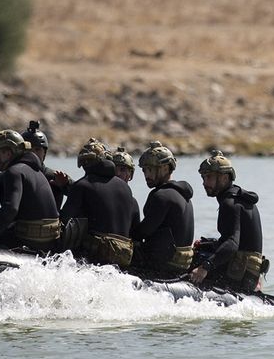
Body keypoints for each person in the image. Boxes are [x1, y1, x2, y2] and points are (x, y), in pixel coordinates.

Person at [189, 149, 267, 294]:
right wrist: (208, 244)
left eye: (209, 177)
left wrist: (204, 267)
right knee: (203, 248)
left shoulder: (229, 204)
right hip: (250, 274)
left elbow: (232, 244)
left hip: (239, 275)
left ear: (224, 178)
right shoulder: (240, 198)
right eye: (203, 178)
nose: (204, 183)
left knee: (195, 259)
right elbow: (238, 241)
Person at [59, 138, 141, 268]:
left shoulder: (82, 185)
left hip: (94, 257)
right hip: (122, 259)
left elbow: (64, 221)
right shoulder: (126, 189)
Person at [130, 141, 195, 279]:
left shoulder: (161, 196)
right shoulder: (183, 195)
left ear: (165, 168)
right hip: (182, 263)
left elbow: (143, 231)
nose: (146, 175)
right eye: (144, 170)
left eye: (150, 169)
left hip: (163, 264)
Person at [23, 119, 70, 205]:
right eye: (28, 150)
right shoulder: (14, 175)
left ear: (44, 153)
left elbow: (81, 194)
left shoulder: (54, 176)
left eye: (37, 149)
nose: (33, 154)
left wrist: (65, 185)